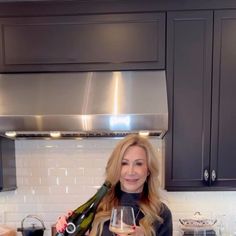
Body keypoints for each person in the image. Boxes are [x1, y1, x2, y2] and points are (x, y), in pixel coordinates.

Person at [56, 134, 173, 236]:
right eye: (124, 163)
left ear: (148, 170)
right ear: (117, 168)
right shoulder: (99, 206)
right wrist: (67, 229)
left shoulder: (161, 213)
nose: (131, 171)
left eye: (138, 164)